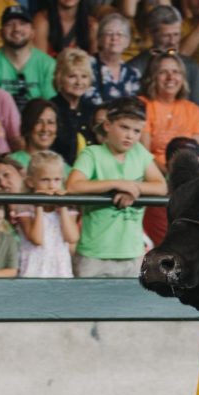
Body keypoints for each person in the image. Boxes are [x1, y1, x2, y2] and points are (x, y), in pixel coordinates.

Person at [65, 96, 167, 277]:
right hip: (93, 253)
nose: (130, 135)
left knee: (128, 306)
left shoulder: (140, 153)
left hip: (132, 253)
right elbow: (73, 185)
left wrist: (134, 188)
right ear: (107, 125)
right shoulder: (92, 153)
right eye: (124, 127)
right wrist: (118, 184)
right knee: (87, 305)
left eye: (136, 131)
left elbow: (161, 187)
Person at [126, 5, 199, 106]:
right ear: (152, 34)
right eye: (166, 36)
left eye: (176, 35)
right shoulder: (134, 68)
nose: (173, 41)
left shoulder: (191, 67)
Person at [0, 5, 57, 111]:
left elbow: (50, 106)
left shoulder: (48, 64)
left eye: (23, 24)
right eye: (9, 24)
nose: (16, 29)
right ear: (0, 33)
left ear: (33, 32)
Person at [140, 53, 199, 165]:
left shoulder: (193, 109)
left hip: (185, 171)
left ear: (183, 78)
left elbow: (195, 153)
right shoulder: (143, 104)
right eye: (163, 72)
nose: (171, 77)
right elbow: (144, 153)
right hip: (152, 171)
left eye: (176, 72)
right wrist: (169, 174)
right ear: (153, 77)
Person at [50, 48, 97, 164]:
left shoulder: (93, 110)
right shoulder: (50, 109)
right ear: (60, 78)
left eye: (84, 76)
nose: (79, 82)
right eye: (72, 76)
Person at [89, 13, 143, 104]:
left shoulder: (133, 74)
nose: (114, 38)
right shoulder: (87, 66)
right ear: (100, 39)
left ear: (127, 42)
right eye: (109, 33)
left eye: (120, 34)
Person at [6, 98, 60, 171]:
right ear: (27, 125)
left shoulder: (63, 167)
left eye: (50, 122)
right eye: (38, 122)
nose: (45, 128)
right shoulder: (10, 164)